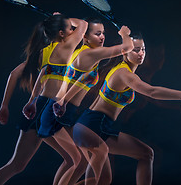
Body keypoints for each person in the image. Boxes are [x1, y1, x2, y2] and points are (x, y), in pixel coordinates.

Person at [72, 33, 181, 185]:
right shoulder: (123, 73)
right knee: (100, 179)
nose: (141, 53)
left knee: (145, 155)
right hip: (89, 127)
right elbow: (151, 92)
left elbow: (153, 96)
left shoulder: (130, 73)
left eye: (143, 49)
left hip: (101, 129)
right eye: (136, 50)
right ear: (125, 51)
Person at [23, 18, 134, 184]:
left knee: (80, 164)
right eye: (98, 34)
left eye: (103, 33)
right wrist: (125, 34)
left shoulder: (79, 52)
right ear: (86, 38)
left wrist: (33, 101)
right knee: (82, 160)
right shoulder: (90, 53)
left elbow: (48, 70)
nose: (102, 37)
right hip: (58, 113)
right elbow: (127, 48)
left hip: (60, 111)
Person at [0, 13, 88, 185]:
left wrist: (4, 106)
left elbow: (13, 74)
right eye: (69, 28)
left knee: (17, 165)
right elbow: (83, 24)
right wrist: (63, 17)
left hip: (42, 107)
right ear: (61, 33)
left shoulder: (43, 53)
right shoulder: (67, 47)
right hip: (48, 109)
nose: (73, 30)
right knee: (77, 160)